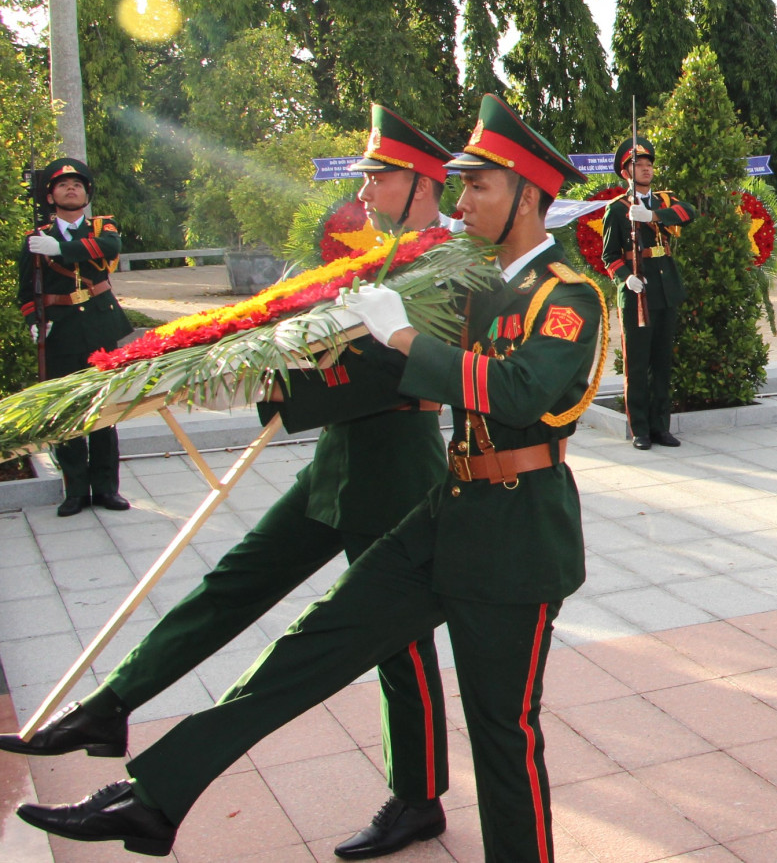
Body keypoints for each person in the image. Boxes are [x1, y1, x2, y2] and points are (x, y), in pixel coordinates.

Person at [19, 95, 602, 861]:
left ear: (529, 195)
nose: (462, 202)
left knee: (502, 735)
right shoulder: (474, 278)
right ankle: (156, 796)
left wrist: (398, 333)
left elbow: (524, 389)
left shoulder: (567, 293)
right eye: (458, 187)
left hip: (518, 534)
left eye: (479, 188)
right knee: (308, 646)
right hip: (449, 511)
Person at [18, 158, 134, 516]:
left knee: (104, 408)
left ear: (86, 194)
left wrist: (62, 250)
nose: (71, 188)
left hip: (100, 325)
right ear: (50, 197)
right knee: (69, 411)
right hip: (61, 329)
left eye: (78, 184)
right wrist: (33, 322)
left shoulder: (102, 227)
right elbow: (27, 289)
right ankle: (75, 490)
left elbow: (110, 249)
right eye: (62, 185)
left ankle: (106, 488)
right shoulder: (36, 238)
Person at [600, 135, 699, 450]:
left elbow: (689, 212)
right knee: (638, 364)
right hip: (637, 295)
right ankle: (640, 429)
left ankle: (661, 427)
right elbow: (608, 256)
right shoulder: (616, 210)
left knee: (661, 363)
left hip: (666, 291)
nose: (645, 170)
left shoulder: (664, 202)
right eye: (638, 166)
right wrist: (626, 278)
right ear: (626, 172)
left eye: (648, 165)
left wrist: (653, 216)